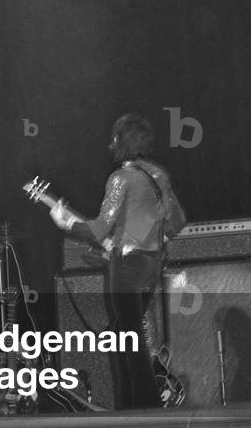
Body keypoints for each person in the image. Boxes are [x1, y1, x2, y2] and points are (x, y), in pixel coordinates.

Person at [47, 113, 186, 409]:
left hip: (127, 269)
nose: (111, 144)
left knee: (129, 339)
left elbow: (99, 228)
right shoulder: (158, 175)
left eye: (114, 138)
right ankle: (128, 405)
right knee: (121, 334)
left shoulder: (121, 178)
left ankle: (146, 405)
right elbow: (178, 220)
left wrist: (65, 224)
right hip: (152, 265)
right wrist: (158, 240)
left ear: (123, 142)